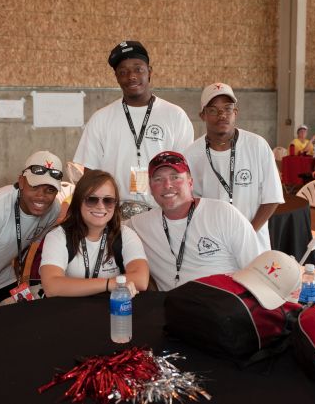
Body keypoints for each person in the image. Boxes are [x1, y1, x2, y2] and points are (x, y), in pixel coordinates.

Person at [73, 40, 194, 210]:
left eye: (138, 69)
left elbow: (185, 169)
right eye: (123, 72)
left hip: (162, 211)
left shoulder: (175, 115)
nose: (131, 76)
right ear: (116, 77)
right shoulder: (101, 118)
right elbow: (90, 174)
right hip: (114, 214)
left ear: (149, 72)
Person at [128, 151, 260, 291]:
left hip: (225, 305)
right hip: (174, 307)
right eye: (158, 179)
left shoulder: (223, 213)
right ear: (151, 188)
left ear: (190, 183)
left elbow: (255, 270)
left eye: (175, 177)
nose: (167, 185)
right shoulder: (139, 225)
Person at [184, 83, 283, 253]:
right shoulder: (191, 154)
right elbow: (190, 203)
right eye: (213, 110)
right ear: (203, 115)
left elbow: (272, 197)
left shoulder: (257, 145)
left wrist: (248, 233)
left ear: (235, 113)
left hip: (254, 243)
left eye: (228, 108)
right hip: (213, 244)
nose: (222, 115)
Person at [0, 151, 62, 312]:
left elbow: (28, 245)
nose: (41, 197)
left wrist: (21, 282)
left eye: (50, 190)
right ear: (21, 181)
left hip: (2, 276)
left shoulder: (53, 209)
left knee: (19, 322)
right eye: (35, 187)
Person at [39, 170, 149, 297]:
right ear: (78, 202)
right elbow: (51, 286)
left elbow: (141, 280)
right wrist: (110, 284)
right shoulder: (58, 236)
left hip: (111, 311)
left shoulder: (125, 235)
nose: (100, 206)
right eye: (92, 199)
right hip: (69, 312)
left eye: (108, 200)